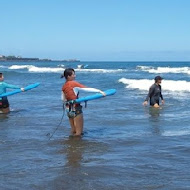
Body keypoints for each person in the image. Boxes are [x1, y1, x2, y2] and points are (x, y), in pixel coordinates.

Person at [61, 68, 106, 137]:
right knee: (79, 133)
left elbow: (63, 99)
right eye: (73, 74)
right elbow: (86, 89)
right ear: (68, 76)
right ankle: (75, 146)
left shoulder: (64, 86)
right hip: (76, 109)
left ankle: (69, 144)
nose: (75, 76)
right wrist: (99, 91)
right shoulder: (73, 83)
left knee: (73, 130)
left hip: (68, 109)